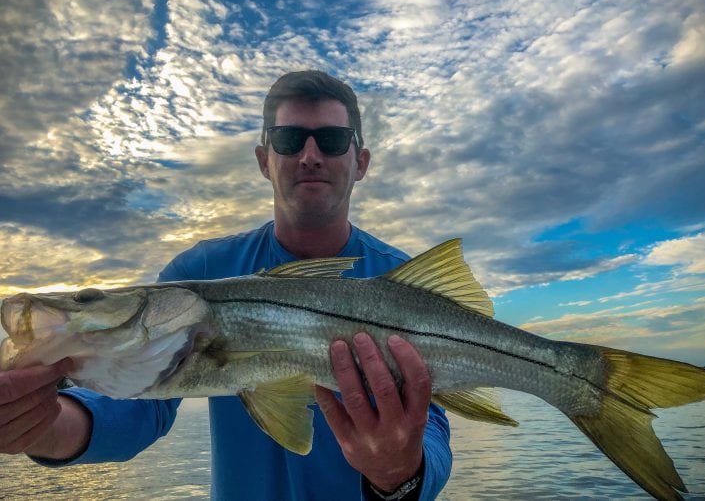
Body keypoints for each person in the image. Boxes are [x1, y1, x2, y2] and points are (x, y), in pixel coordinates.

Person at [0, 70, 452, 500]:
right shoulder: (201, 269)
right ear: (263, 159)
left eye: (332, 141)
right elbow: (143, 402)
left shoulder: (404, 284)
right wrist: (45, 426)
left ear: (361, 162)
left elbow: (431, 423)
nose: (309, 156)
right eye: (288, 139)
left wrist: (401, 476)